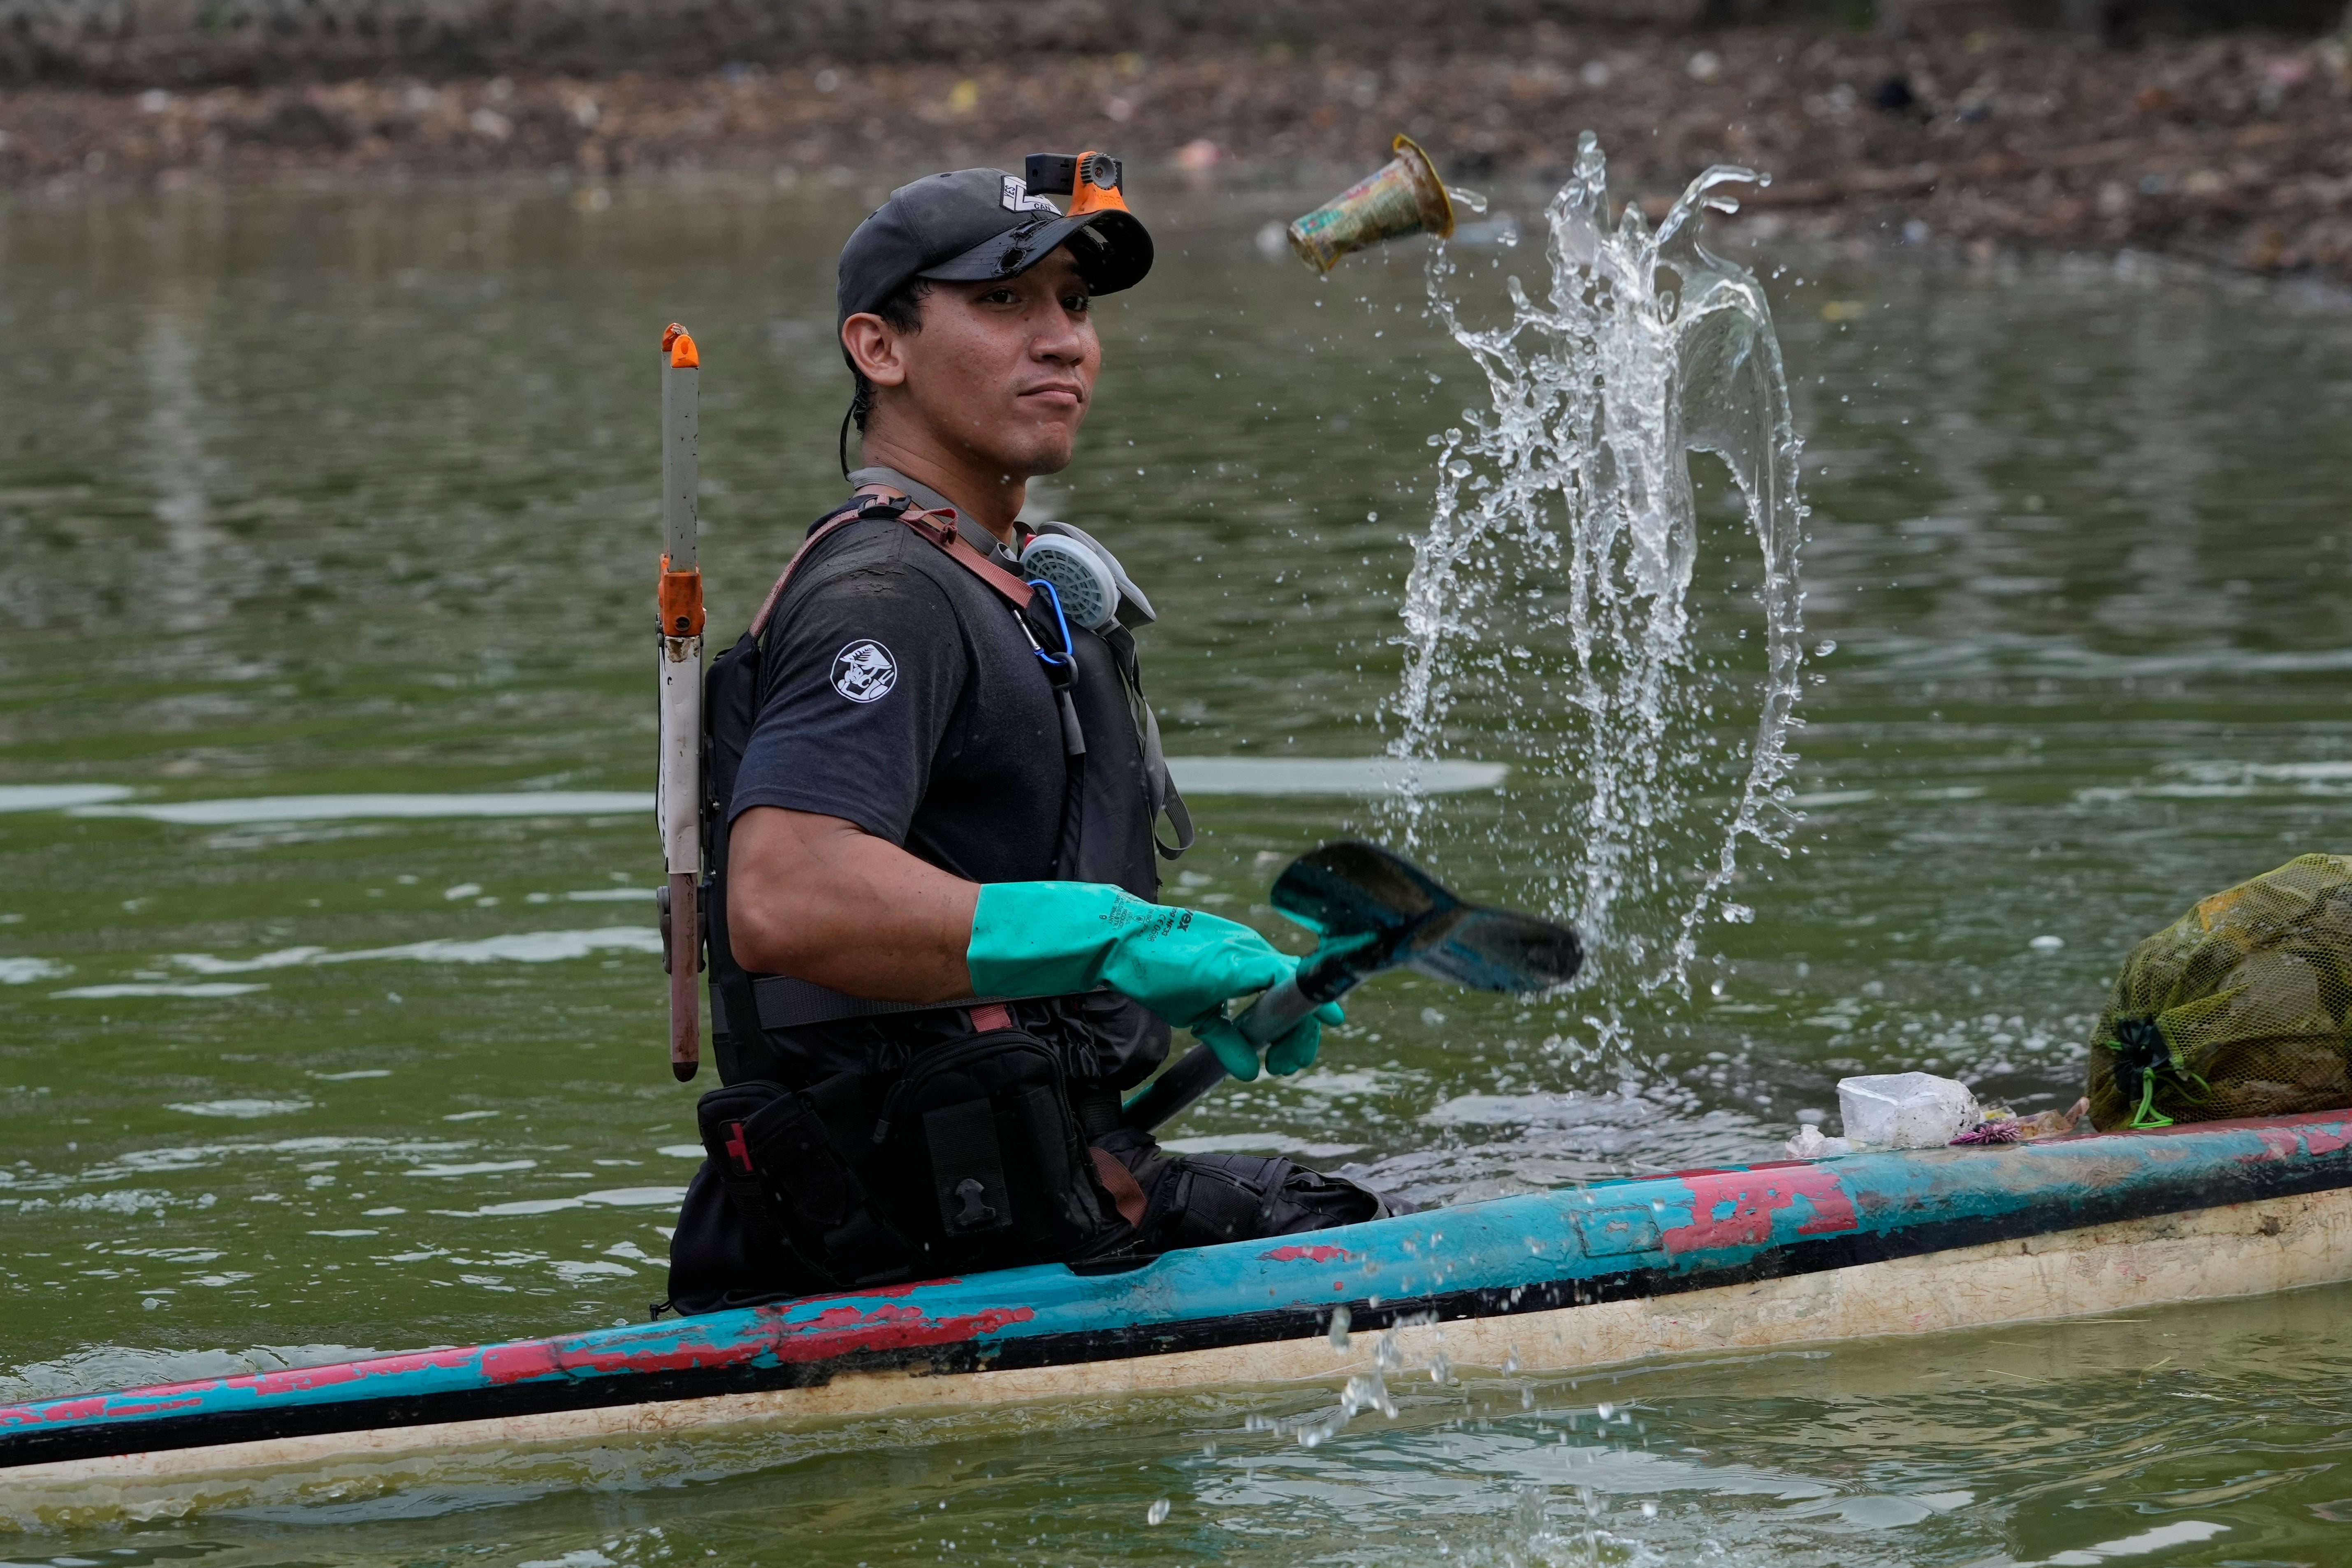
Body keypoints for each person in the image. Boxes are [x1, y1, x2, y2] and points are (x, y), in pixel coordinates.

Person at [663, 161, 1397, 1313]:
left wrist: (1205, 997)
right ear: (879, 347)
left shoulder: (999, 577)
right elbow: (785, 893)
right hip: (920, 1247)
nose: (1063, 340)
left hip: (1032, 1197)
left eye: (1077, 305)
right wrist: (1117, 933)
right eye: (1005, 301)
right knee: (1406, 1224)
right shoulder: (885, 595)